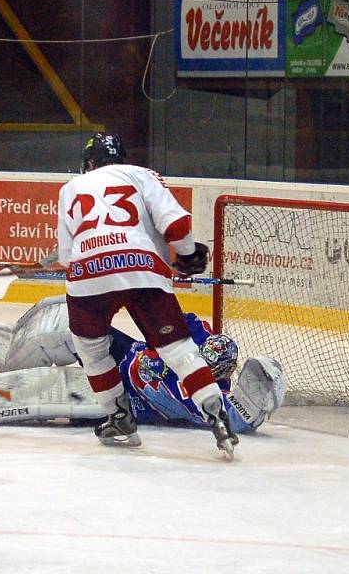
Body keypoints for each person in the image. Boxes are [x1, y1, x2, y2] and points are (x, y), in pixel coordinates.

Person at [56, 133, 239, 458]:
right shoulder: (142, 175)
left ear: (88, 164)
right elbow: (177, 223)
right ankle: (216, 414)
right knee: (179, 349)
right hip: (142, 267)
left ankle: (119, 416)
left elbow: (66, 258)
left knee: (92, 351)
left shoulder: (69, 188)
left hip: (87, 275)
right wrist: (186, 255)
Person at [0, 296, 286, 434]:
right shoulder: (201, 338)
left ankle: (9, 381)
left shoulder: (211, 401)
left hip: (124, 396)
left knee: (65, 359)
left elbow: (244, 417)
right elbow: (172, 320)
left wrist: (264, 387)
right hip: (125, 353)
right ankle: (13, 357)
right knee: (67, 318)